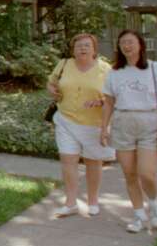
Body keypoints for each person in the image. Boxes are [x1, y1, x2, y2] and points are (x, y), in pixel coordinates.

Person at [100, 29, 157, 232]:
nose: (127, 46)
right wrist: (104, 128)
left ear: (140, 45)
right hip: (123, 123)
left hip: (150, 122)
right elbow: (108, 103)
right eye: (123, 42)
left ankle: (154, 208)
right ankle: (138, 216)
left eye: (131, 42)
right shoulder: (114, 73)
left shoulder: (155, 69)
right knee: (129, 174)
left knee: (146, 173)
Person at [47, 33, 115, 218]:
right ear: (73, 49)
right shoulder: (64, 64)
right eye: (78, 46)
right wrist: (52, 90)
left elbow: (113, 96)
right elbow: (51, 83)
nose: (82, 48)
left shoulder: (105, 69)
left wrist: (101, 101)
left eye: (87, 45)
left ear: (94, 49)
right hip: (66, 120)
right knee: (68, 161)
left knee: (93, 162)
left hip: (93, 124)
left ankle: (93, 201)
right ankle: (70, 203)